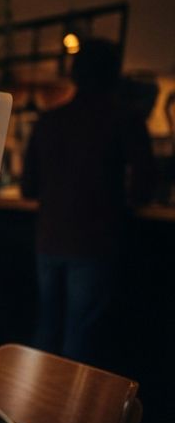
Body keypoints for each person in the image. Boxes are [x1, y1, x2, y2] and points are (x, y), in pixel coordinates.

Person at [21, 38, 155, 367]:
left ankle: (27, 412)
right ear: (114, 74)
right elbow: (143, 187)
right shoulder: (124, 119)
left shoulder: (50, 121)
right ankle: (65, 417)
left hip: (49, 239)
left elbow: (28, 188)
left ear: (75, 74)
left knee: (47, 329)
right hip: (93, 241)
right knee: (79, 338)